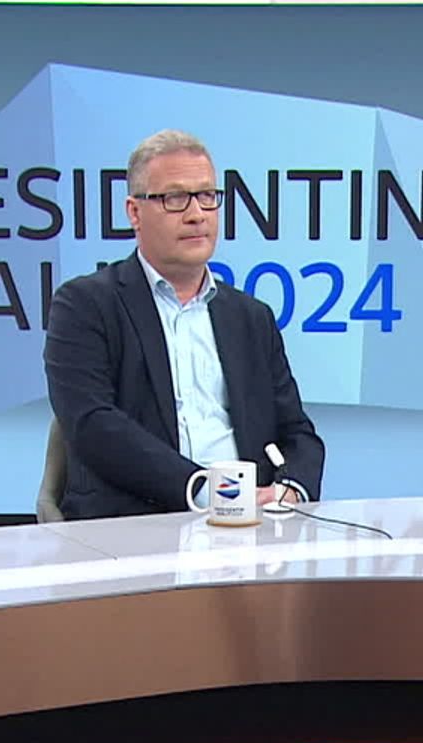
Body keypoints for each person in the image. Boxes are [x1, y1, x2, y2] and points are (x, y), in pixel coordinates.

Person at [44, 130, 325, 519]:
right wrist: (208, 491)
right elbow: (91, 426)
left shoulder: (251, 318)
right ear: (134, 212)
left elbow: (298, 433)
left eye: (207, 196)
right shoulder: (85, 305)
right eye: (174, 198)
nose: (196, 214)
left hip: (250, 527)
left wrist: (289, 489)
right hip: (134, 523)